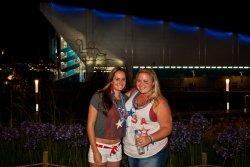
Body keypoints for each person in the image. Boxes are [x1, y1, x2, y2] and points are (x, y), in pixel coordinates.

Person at [123, 68, 172, 167]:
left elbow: (167, 128)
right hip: (131, 150)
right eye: (139, 81)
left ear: (153, 83)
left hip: (152, 152)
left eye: (146, 81)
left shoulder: (160, 103)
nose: (141, 84)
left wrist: (149, 138)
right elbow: (118, 98)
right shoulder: (134, 92)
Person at [87, 67, 128, 167]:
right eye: (117, 79)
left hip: (117, 148)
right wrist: (95, 150)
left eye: (123, 79)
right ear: (111, 81)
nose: (120, 82)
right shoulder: (99, 96)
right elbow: (90, 124)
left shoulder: (125, 99)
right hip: (99, 147)